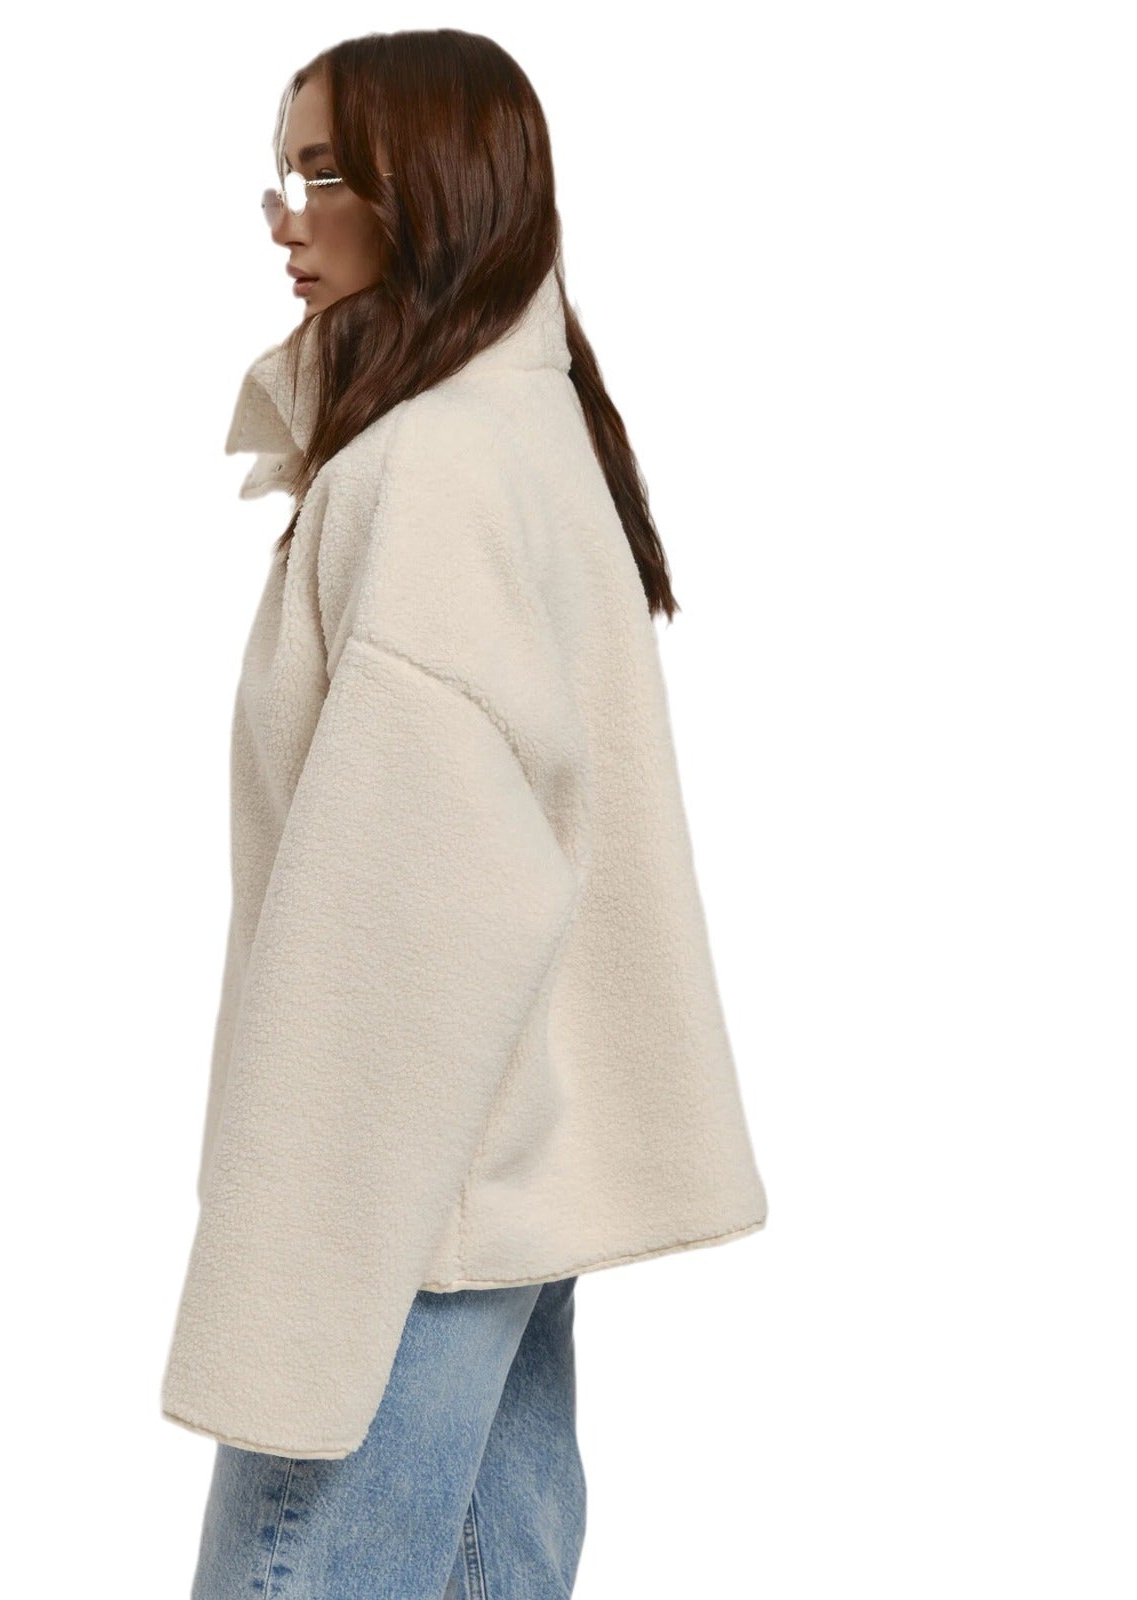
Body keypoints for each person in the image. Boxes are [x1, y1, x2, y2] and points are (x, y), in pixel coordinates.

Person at [163, 28, 769, 1599]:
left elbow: (407, 908)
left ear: (429, 190)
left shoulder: (427, 468)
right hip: (504, 1172)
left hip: (407, 1198)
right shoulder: (522, 430)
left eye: (324, 175)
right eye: (282, 175)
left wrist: (301, 1256)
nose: (285, 217)